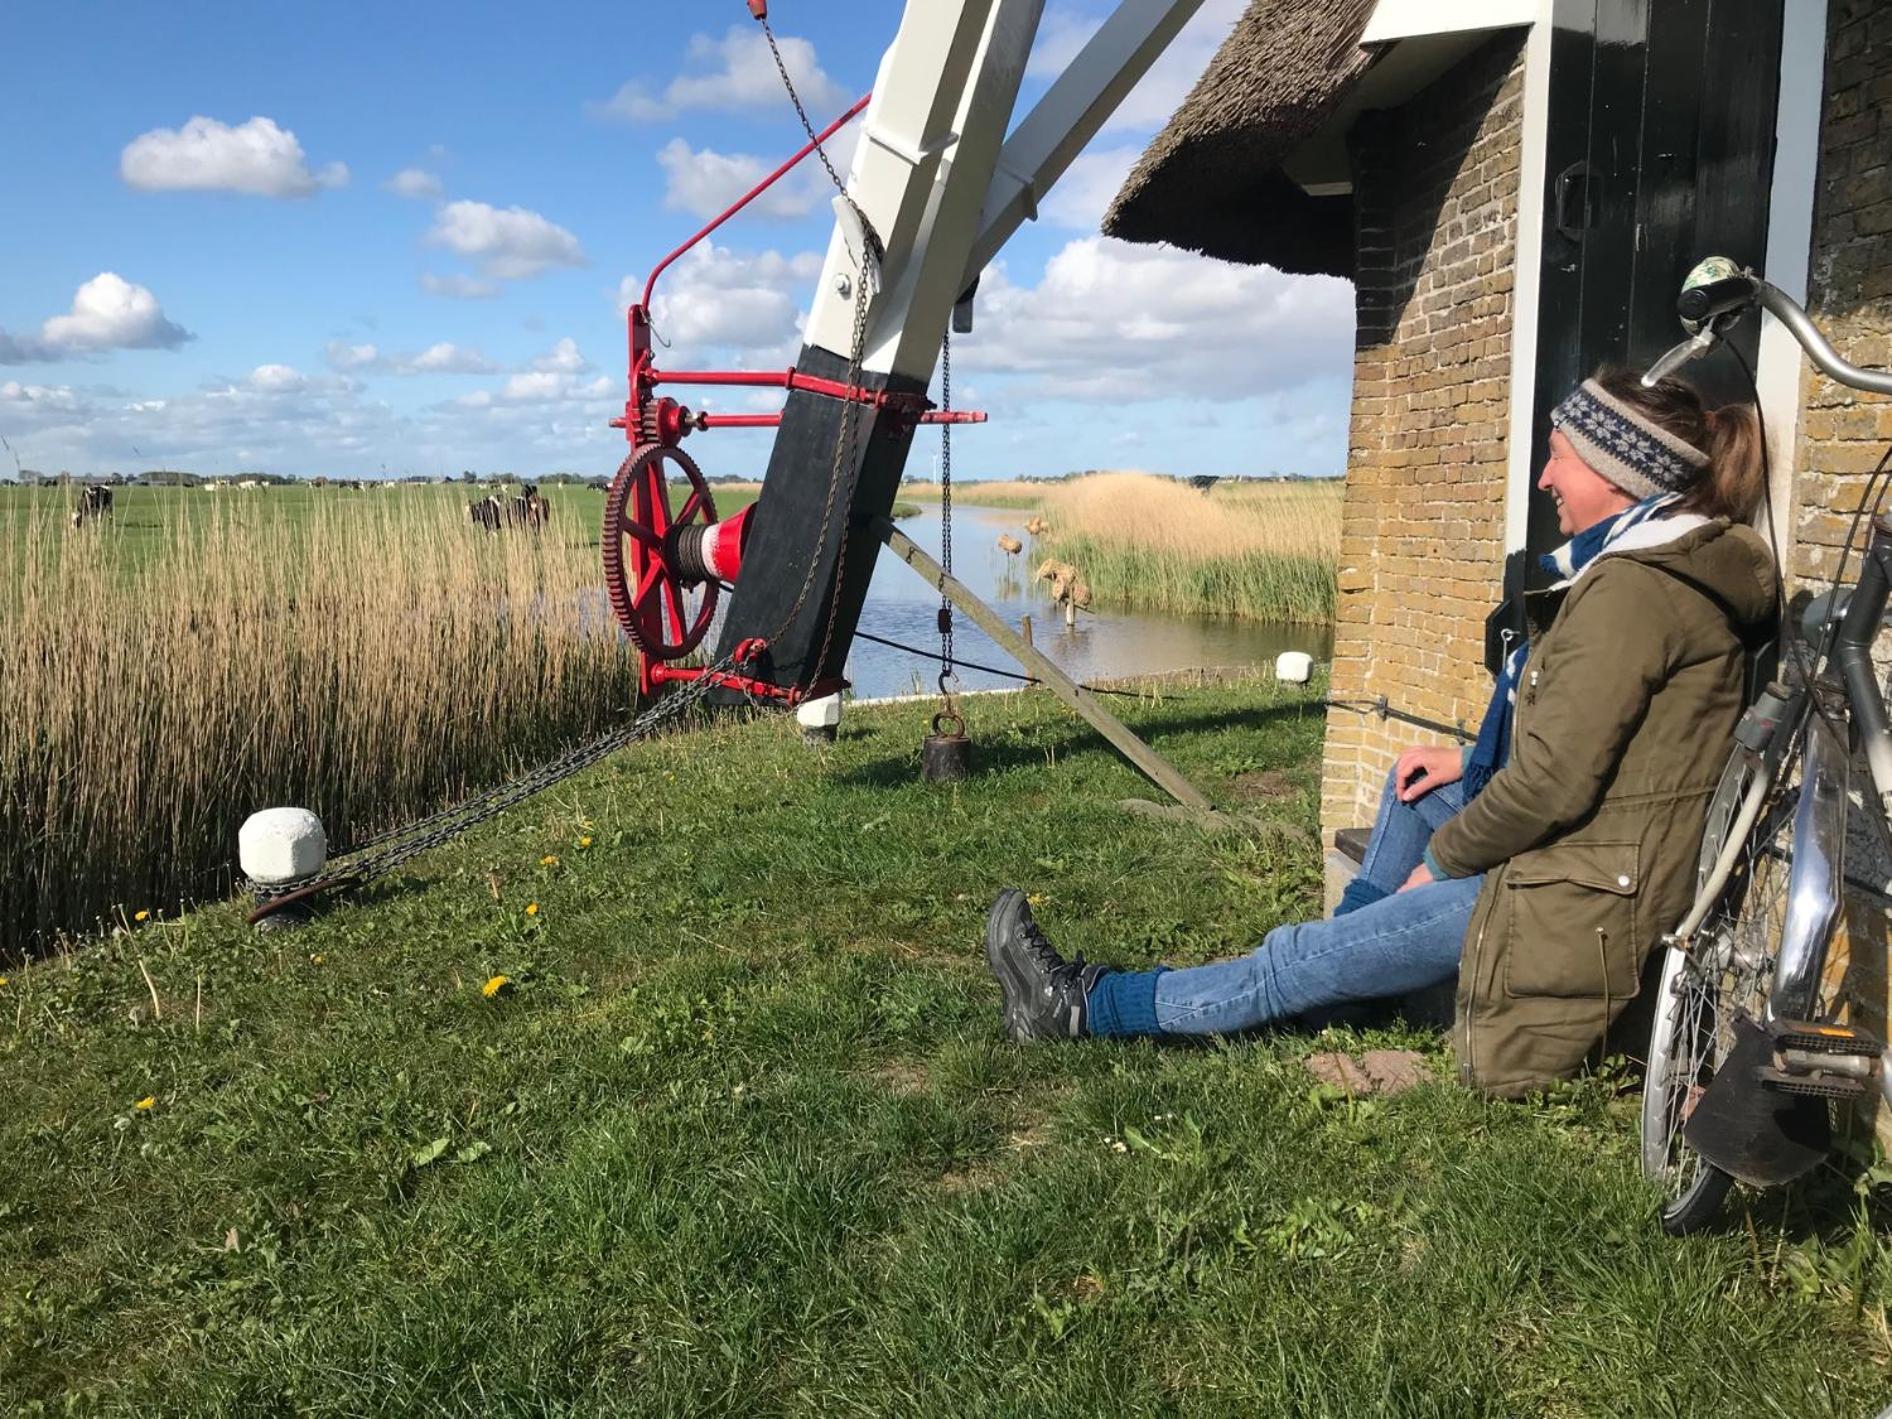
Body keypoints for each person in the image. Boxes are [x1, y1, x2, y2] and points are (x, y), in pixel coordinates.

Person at [984, 368, 1778, 1097]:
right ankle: (1342, 987)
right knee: (1415, 785)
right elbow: (1612, 750)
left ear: (1616, 471)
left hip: (1564, 898)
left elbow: (1552, 783)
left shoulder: (1635, 592)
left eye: (1557, 456)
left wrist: (1443, 862)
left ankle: (1085, 1005)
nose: (1543, 478)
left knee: (1295, 955)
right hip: (1575, 858)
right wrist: (1469, 760)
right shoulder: (1649, 571)